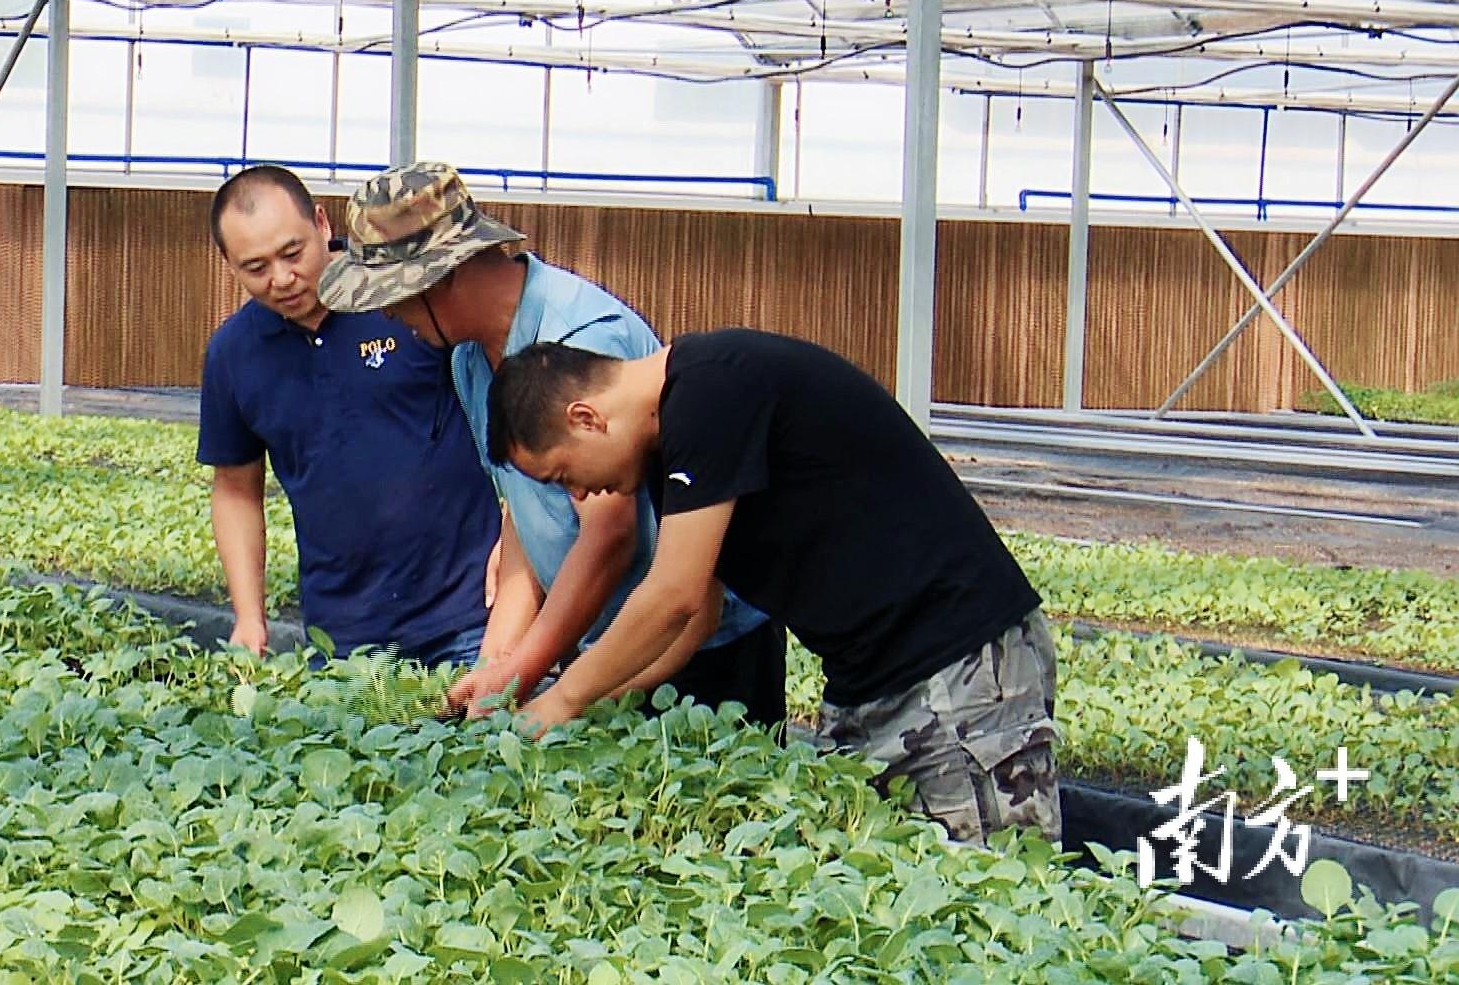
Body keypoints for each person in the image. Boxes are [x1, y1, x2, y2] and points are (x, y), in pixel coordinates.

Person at [482, 329, 1060, 843]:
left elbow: (674, 595)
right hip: (867, 680)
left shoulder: (710, 390)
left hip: (956, 667)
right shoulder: (668, 444)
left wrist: (565, 697)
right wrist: (599, 702)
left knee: (986, 883)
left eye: (565, 475)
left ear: (586, 418)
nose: (579, 495)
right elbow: (699, 618)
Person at [316, 161, 784, 725]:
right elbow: (523, 516)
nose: (389, 313)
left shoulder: (578, 338)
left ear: (443, 276)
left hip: (696, 646)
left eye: (395, 294)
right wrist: (495, 665)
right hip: (603, 647)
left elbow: (611, 534)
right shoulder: (470, 358)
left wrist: (525, 673)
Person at [197, 165, 500, 668]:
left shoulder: (404, 299)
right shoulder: (233, 354)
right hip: (343, 638)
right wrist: (249, 616)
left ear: (321, 223)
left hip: (470, 615)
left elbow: (507, 423)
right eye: (256, 267)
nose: (281, 279)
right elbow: (235, 489)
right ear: (228, 263)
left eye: (292, 253)